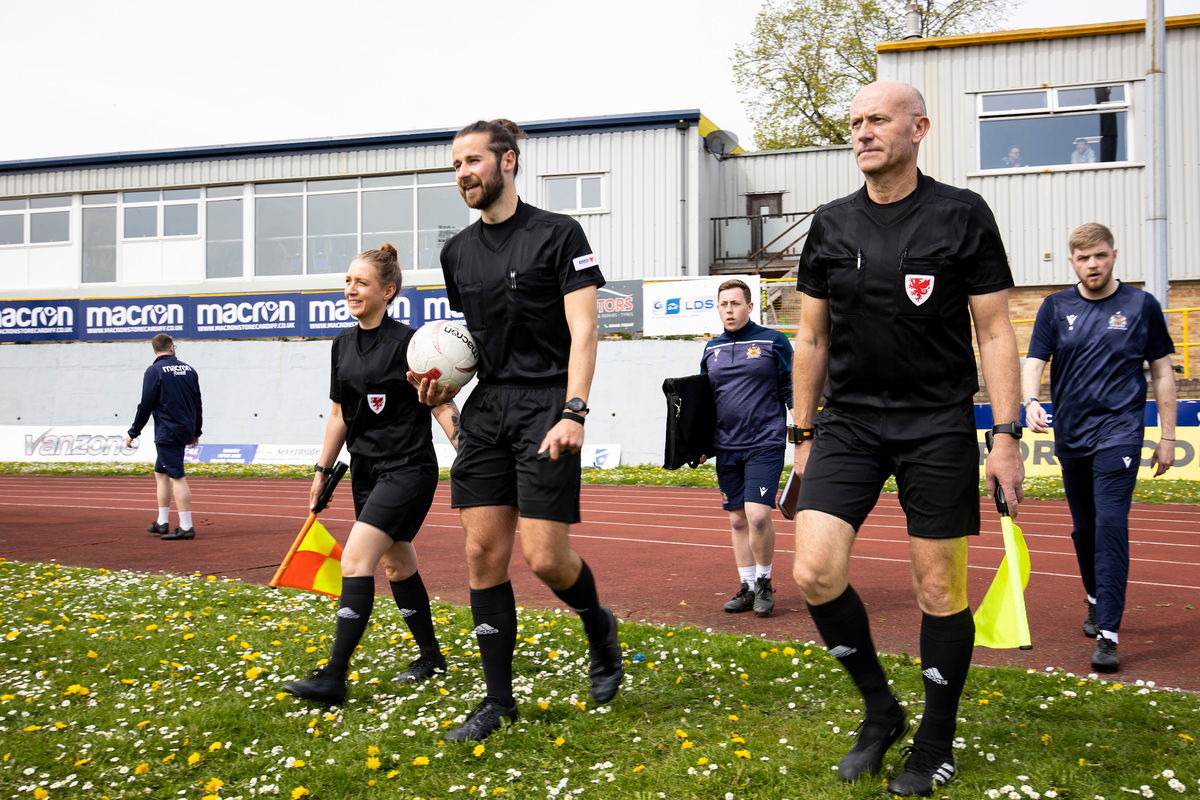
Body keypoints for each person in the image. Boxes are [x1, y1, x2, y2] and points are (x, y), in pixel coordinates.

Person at [790, 80, 1024, 796]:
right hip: (851, 423)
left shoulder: (963, 215)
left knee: (936, 585)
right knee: (812, 573)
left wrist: (1006, 435)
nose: (861, 132)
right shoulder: (829, 224)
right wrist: (802, 432)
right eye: (855, 123)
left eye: (877, 120)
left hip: (937, 422)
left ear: (918, 128)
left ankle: (936, 738)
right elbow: (810, 336)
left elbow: (994, 332)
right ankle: (880, 710)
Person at [413, 118, 622, 742]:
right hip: (489, 408)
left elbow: (585, 331)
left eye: (472, 160)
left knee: (545, 558)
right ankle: (497, 701)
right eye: (455, 165)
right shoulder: (457, 253)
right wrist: (442, 399)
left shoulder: (559, 234)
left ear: (507, 161)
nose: (461, 174)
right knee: (482, 553)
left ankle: (597, 625)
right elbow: (465, 346)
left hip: (547, 402)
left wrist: (574, 409)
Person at [282, 244, 461, 706]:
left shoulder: (410, 342)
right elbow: (340, 413)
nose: (350, 289)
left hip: (407, 468)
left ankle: (334, 676)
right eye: (347, 281)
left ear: (388, 291)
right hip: (364, 470)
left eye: (361, 282)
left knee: (355, 559)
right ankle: (432, 658)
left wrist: (468, 450)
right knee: (397, 563)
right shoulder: (342, 345)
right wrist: (322, 470)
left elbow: (440, 401)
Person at [1022, 223, 1176, 674]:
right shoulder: (1055, 307)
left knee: (1110, 525)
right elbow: (1034, 360)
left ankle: (1108, 633)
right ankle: (1094, 598)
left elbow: (1163, 372)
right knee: (1084, 528)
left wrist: (1166, 436)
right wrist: (1031, 401)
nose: (1094, 264)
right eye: (1085, 258)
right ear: (1072, 261)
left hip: (1121, 432)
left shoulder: (1141, 306)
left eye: (1101, 256)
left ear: (1114, 256)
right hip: (1071, 434)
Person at [701, 278, 793, 617]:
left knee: (757, 515)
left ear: (750, 307)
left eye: (735, 303)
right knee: (738, 521)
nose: (729, 309)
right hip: (726, 447)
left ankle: (766, 582)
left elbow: (791, 387)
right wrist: (700, 444)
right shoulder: (711, 348)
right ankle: (747, 586)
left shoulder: (774, 341)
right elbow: (705, 402)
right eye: (723, 304)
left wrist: (803, 429)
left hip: (764, 442)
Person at [124, 334, 203, 541]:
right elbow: (197, 403)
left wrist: (134, 432)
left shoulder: (154, 371)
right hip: (184, 428)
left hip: (168, 431)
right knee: (161, 472)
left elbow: (146, 405)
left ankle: (186, 526)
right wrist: (196, 431)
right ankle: (162, 522)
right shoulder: (189, 370)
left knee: (177, 476)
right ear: (171, 348)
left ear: (155, 350)